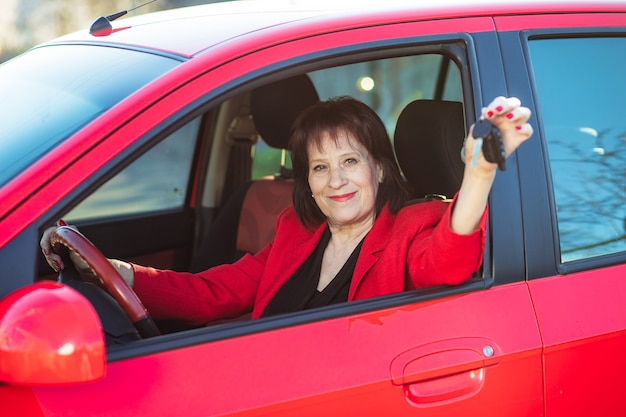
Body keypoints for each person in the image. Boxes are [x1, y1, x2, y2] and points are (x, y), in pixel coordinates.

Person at [41, 95, 532, 323]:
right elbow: (211, 292)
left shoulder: (412, 226)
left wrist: (479, 174)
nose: (335, 180)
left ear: (379, 170)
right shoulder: (297, 231)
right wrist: (112, 271)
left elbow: (447, 260)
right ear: (308, 182)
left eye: (349, 161)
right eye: (319, 168)